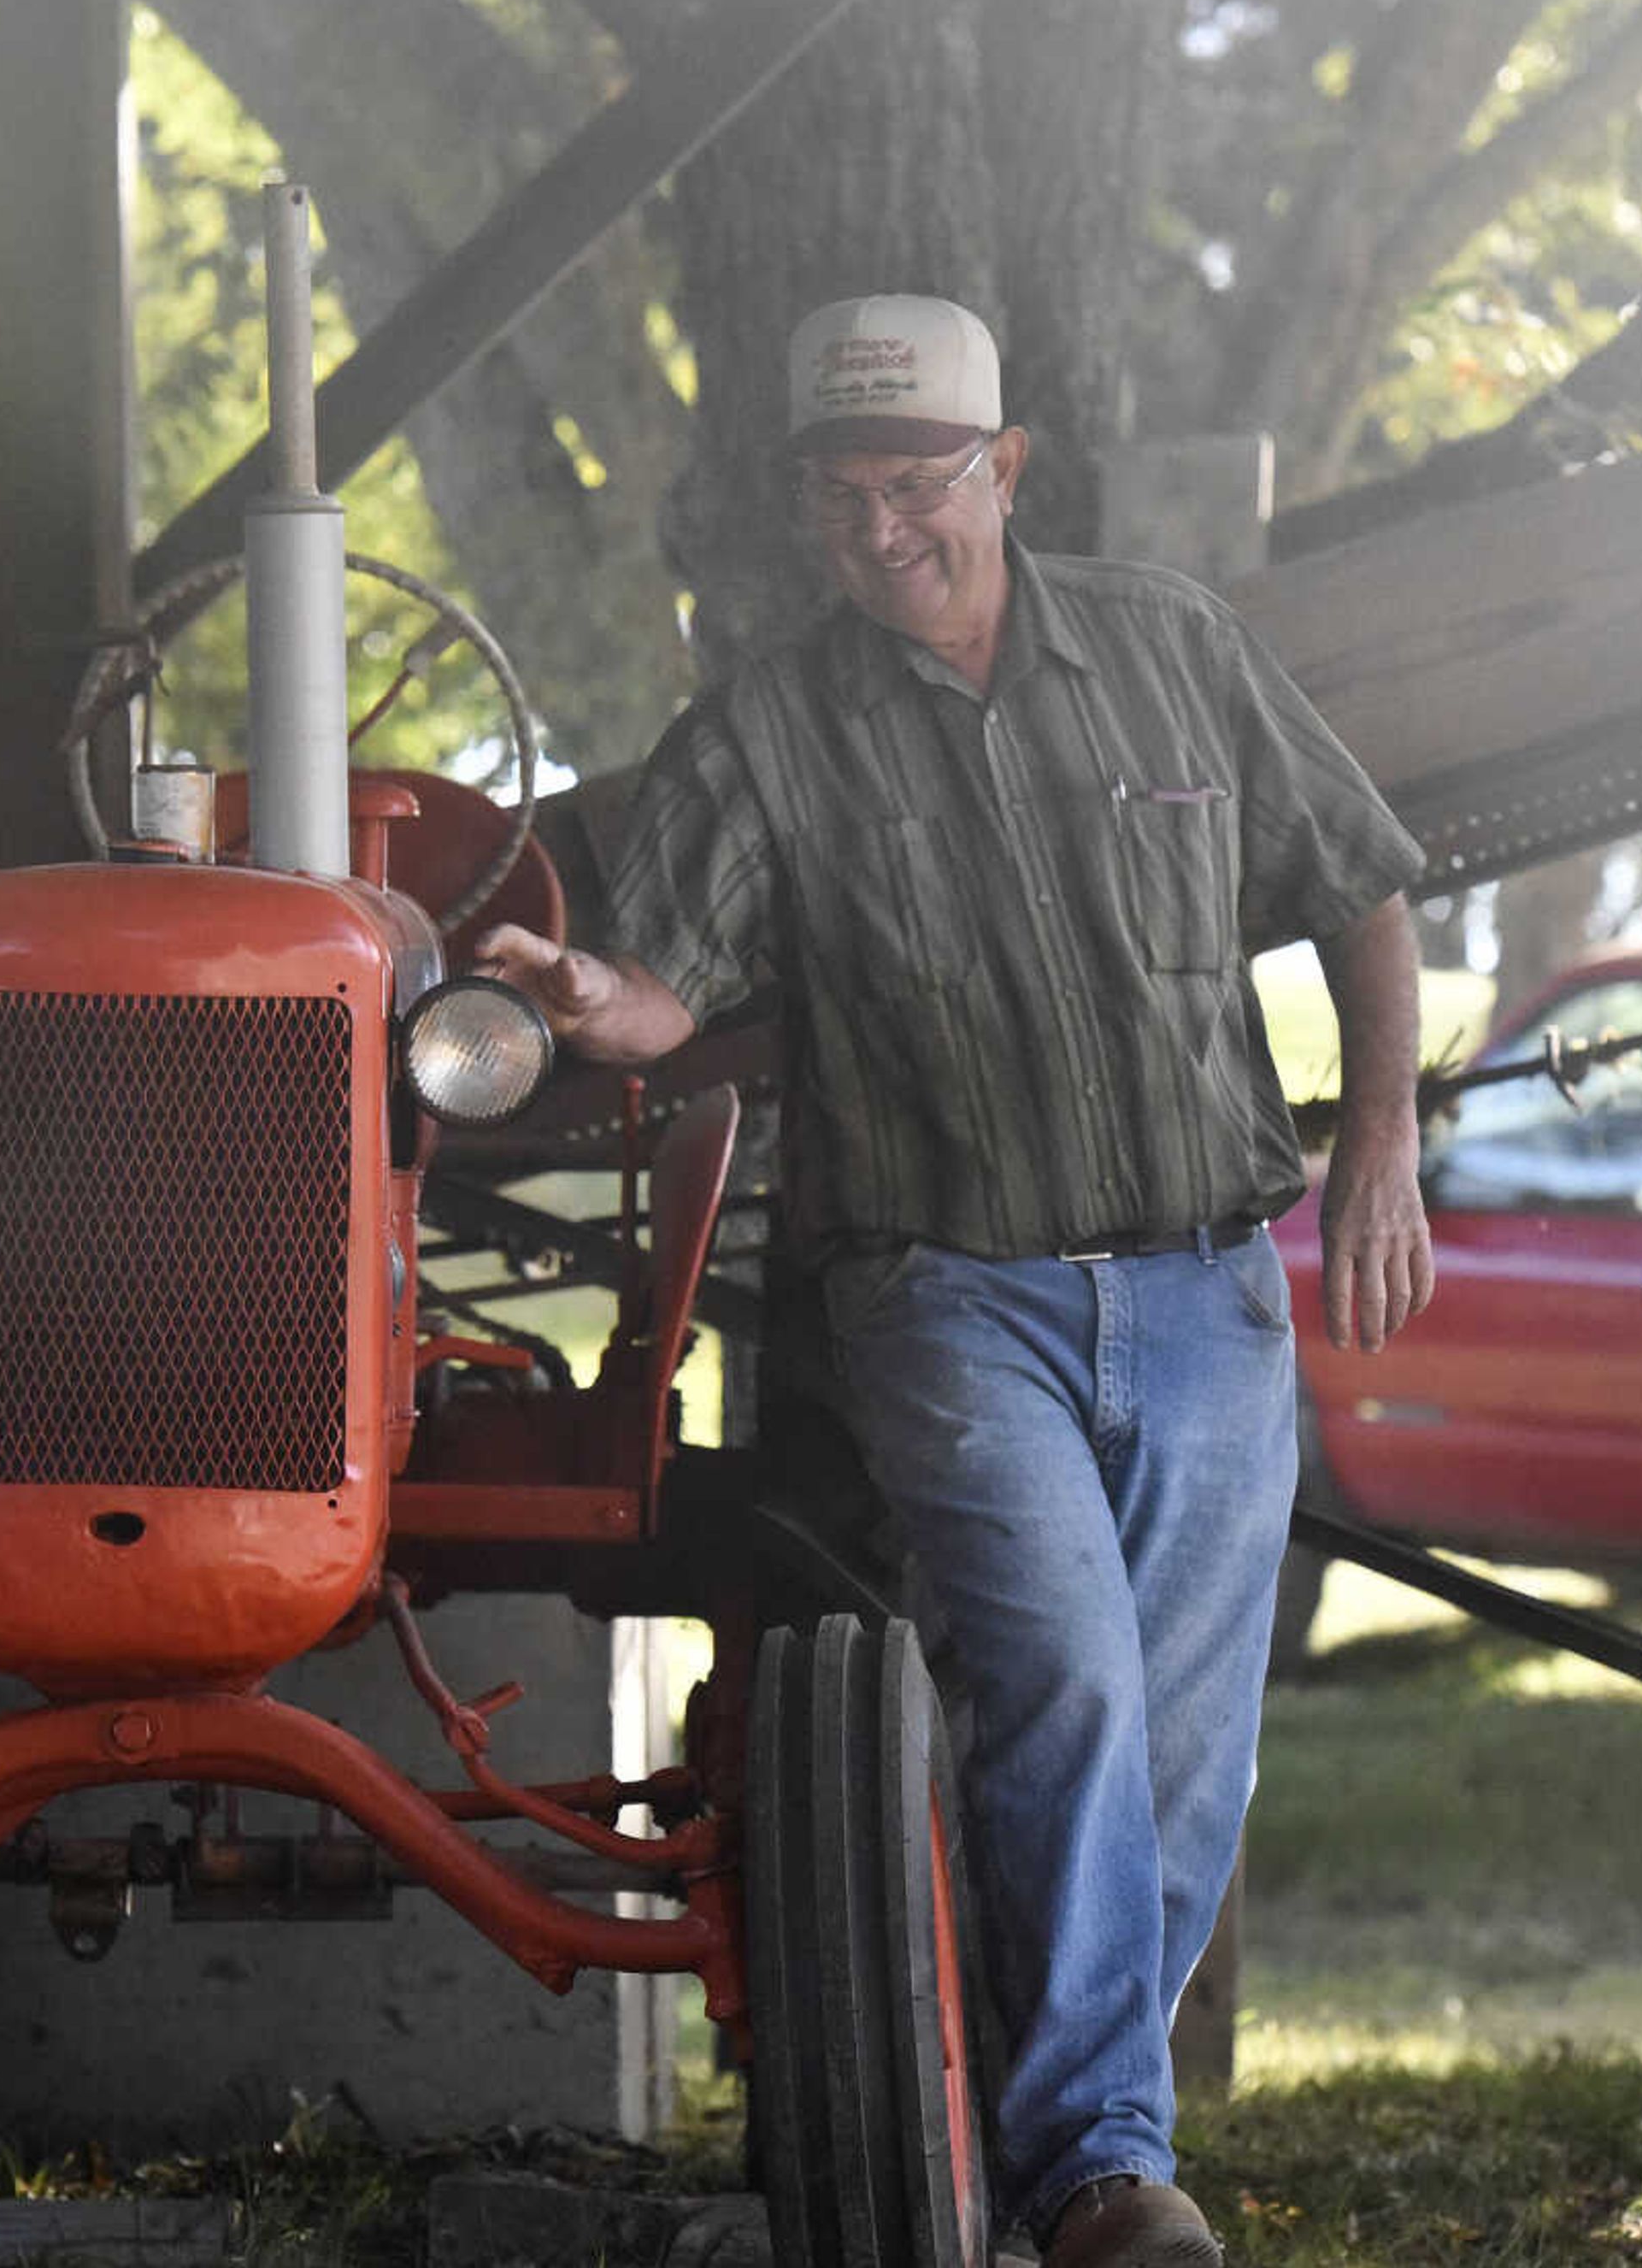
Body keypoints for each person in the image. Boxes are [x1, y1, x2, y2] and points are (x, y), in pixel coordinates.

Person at [474, 293, 1433, 2268]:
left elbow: (1358, 880)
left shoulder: (1173, 648)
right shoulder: (764, 727)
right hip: (947, 1297)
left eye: (918, 486)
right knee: (1060, 1689)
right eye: (839, 500)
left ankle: (1005, 2175)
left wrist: (1388, 1142)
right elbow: (663, 987)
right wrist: (589, 1000)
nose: (882, 531)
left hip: (1204, 1286)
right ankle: (1096, 2171)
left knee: (1185, 1761)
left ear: (1005, 471)